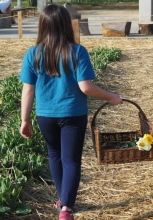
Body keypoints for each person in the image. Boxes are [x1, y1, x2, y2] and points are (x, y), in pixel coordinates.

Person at [19, 4, 122, 220]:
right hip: (72, 114)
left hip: (45, 115)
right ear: (67, 24)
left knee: (54, 156)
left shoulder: (33, 53)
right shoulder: (76, 51)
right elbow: (86, 87)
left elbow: (28, 90)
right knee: (71, 160)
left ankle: (62, 199)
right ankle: (66, 208)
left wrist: (24, 119)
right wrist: (111, 96)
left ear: (42, 26)